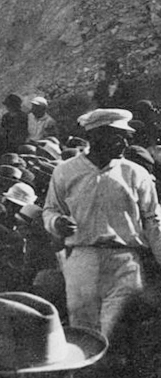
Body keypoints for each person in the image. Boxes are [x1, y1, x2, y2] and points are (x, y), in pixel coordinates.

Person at [43, 108, 161, 338]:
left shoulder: (135, 173)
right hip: (82, 258)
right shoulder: (66, 171)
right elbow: (50, 210)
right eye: (119, 135)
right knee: (84, 332)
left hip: (125, 260)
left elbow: (152, 221)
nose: (126, 141)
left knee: (117, 332)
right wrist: (57, 223)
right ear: (97, 136)